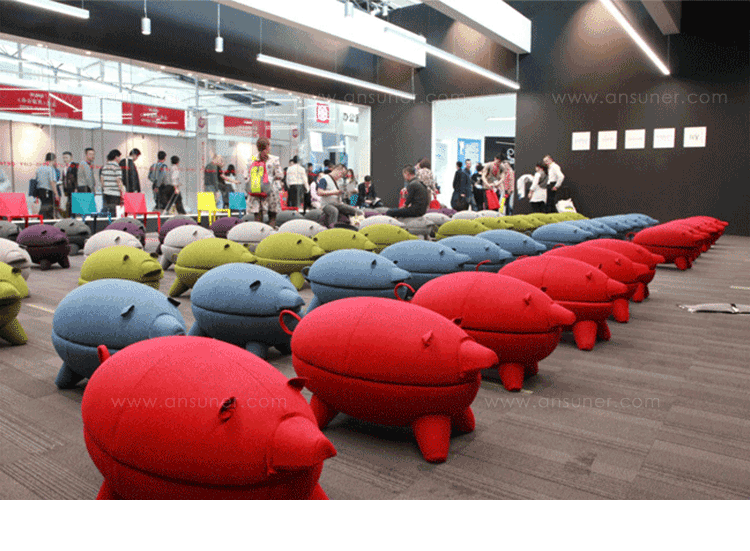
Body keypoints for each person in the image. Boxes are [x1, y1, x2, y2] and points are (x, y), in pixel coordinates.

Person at [248, 137, 283, 227]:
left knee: (258, 215)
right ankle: (270, 233)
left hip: (256, 190)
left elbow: (247, 175)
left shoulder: (252, 159)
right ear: (267, 147)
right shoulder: (274, 159)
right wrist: (270, 178)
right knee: (272, 215)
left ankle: (258, 233)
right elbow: (279, 175)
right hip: (270, 190)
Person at [100, 149, 125, 216]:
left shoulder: (104, 167)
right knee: (114, 214)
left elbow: (102, 180)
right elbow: (118, 181)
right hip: (114, 195)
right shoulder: (117, 167)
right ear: (116, 157)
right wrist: (123, 191)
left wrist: (105, 189)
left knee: (106, 213)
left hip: (106, 193)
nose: (120, 159)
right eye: (119, 157)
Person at [35, 153, 59, 220]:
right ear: (52, 160)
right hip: (47, 191)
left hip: (40, 190)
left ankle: (43, 220)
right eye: (55, 160)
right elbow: (52, 182)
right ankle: (41, 220)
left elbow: (36, 180)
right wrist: (56, 193)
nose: (55, 162)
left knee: (44, 205)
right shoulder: (51, 169)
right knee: (47, 206)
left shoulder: (39, 168)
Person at [60, 151, 78, 217]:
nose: (65, 159)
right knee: (69, 203)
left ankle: (73, 217)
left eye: (66, 157)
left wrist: (76, 188)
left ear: (71, 158)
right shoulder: (65, 167)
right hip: (67, 189)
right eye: (64, 158)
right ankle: (70, 217)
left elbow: (77, 177)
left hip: (73, 188)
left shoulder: (75, 166)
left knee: (73, 205)